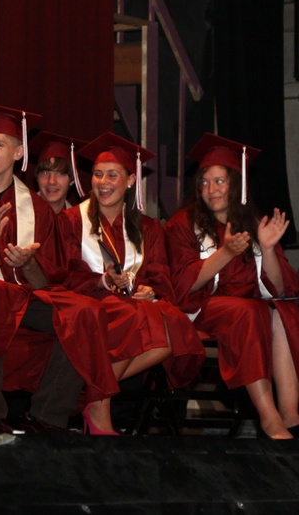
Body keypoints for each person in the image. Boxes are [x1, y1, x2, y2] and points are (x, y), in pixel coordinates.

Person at [0, 105, 117, 434]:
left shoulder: (36, 207)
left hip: (22, 296)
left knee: (85, 312)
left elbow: (51, 280)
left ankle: (47, 416)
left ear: (19, 151)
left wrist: (28, 263)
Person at [57, 132, 204, 434]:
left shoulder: (147, 227)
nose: (103, 182)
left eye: (113, 175)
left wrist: (152, 290)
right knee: (139, 316)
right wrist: (101, 281)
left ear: (129, 180)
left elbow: (159, 274)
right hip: (90, 303)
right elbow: (62, 274)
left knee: (174, 328)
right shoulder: (71, 221)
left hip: (133, 306)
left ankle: (94, 394)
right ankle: (100, 405)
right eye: (98, 174)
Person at [165, 133, 299, 439]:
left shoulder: (253, 223)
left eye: (220, 181)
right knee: (248, 311)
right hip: (199, 309)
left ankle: (291, 416)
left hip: (245, 312)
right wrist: (226, 253)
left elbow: (279, 289)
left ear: (235, 185)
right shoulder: (183, 224)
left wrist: (266, 249)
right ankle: (269, 418)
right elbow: (183, 283)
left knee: (282, 311)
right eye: (204, 182)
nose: (211, 190)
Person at [30, 131, 85, 215]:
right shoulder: (18, 216)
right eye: (45, 173)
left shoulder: (78, 223)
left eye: (60, 173)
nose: (51, 181)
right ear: (37, 177)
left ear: (72, 180)